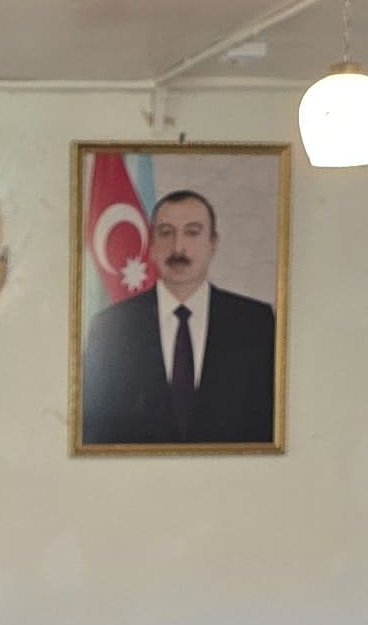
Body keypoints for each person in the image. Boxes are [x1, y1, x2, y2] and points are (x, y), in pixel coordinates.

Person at [76, 189, 278, 445]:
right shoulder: (111, 327)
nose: (178, 247)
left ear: (213, 243)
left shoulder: (255, 324)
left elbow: (268, 426)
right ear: (151, 245)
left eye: (192, 232)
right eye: (166, 233)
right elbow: (95, 431)